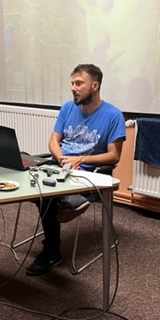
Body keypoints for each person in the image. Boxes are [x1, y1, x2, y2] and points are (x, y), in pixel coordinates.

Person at [26, 63, 126, 276]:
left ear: (95, 86)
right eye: (72, 83)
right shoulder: (67, 107)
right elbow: (53, 140)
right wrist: (60, 157)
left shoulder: (113, 115)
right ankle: (67, 201)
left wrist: (81, 159)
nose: (73, 88)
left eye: (79, 83)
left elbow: (114, 156)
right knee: (30, 176)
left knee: (47, 195)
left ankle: (52, 251)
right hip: (59, 166)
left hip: (89, 173)